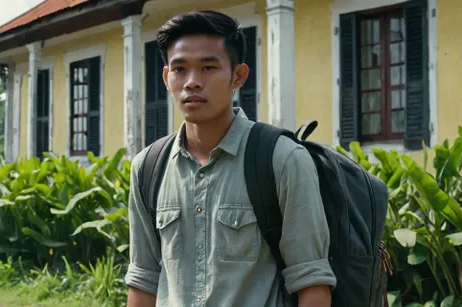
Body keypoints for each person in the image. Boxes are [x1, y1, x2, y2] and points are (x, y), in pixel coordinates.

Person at [124, 10, 336, 307]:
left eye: (209, 68)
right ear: (166, 77)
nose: (192, 82)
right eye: (180, 69)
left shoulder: (283, 160)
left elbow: (312, 285)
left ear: (238, 76)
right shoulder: (148, 167)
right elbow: (143, 280)